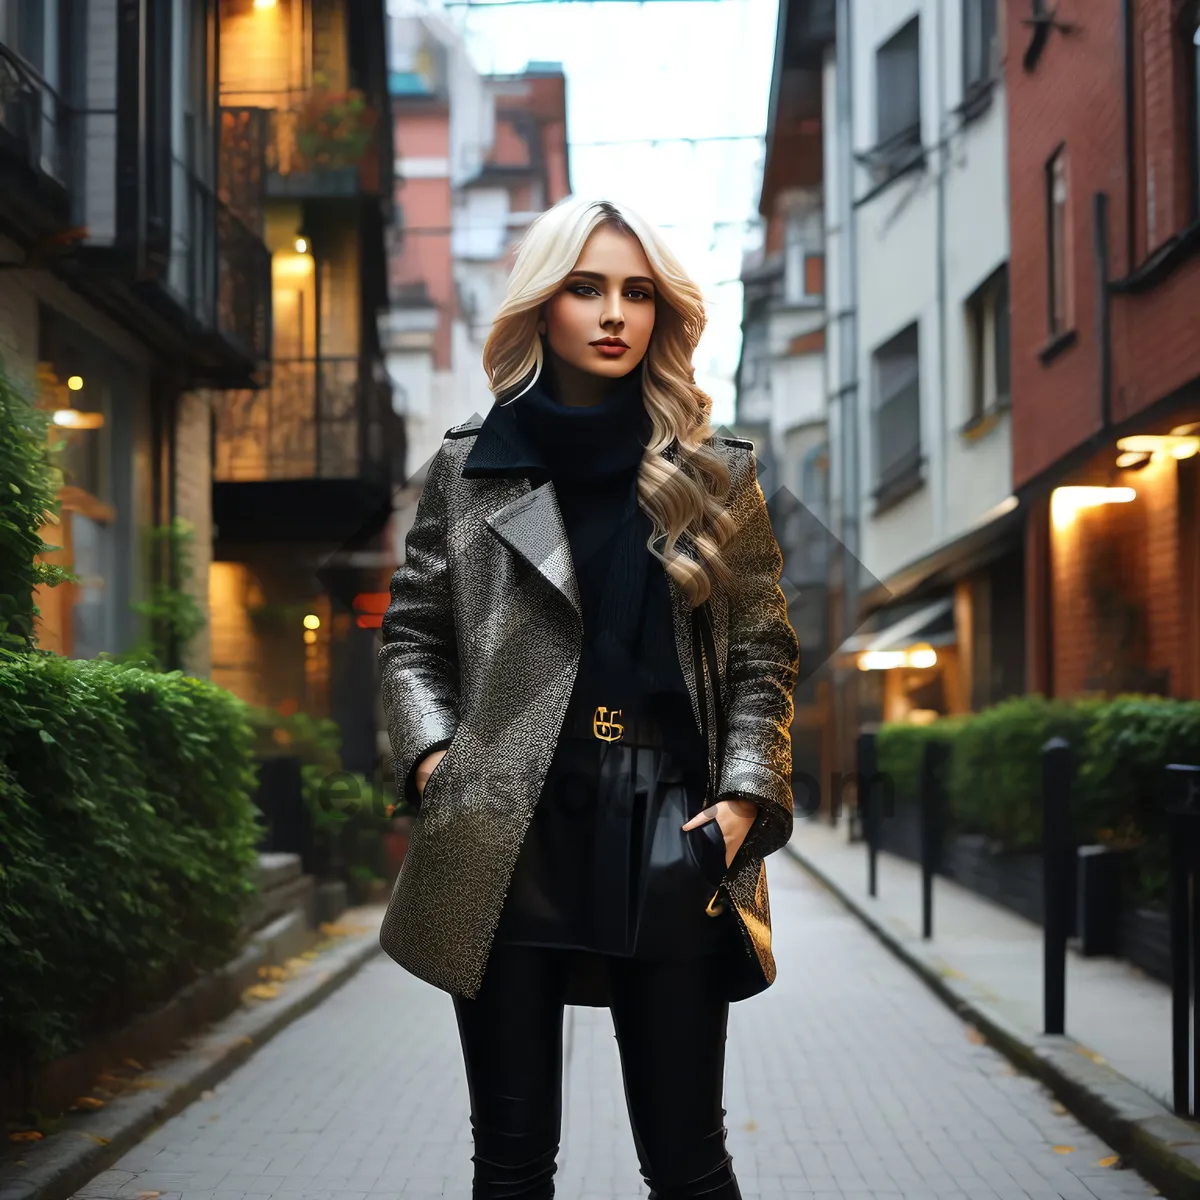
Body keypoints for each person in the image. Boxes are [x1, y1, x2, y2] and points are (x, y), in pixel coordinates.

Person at [378, 195, 799, 1200]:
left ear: (662, 315)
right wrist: (438, 762)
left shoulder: (714, 472)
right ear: (544, 305)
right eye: (587, 288)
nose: (615, 313)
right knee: (513, 1164)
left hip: (673, 826)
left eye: (638, 293)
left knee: (690, 1165)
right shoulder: (471, 465)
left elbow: (762, 654)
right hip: (508, 831)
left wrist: (744, 802)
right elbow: (410, 635)